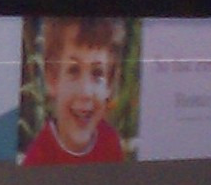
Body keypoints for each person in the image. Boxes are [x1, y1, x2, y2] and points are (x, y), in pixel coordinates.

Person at [19, 16, 134, 166]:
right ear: (52, 79)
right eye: (73, 70)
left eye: (97, 73)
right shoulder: (38, 159)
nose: (85, 92)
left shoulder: (110, 141)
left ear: (109, 85)